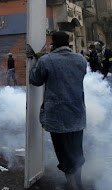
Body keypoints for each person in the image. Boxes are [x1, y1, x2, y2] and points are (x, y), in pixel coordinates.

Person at [29, 31, 86, 190]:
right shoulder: (80, 60)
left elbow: (35, 80)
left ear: (53, 44)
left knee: (64, 155)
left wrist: (37, 60)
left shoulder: (47, 60)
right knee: (76, 153)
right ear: (68, 43)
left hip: (58, 117)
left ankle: (72, 186)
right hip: (77, 115)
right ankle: (78, 184)